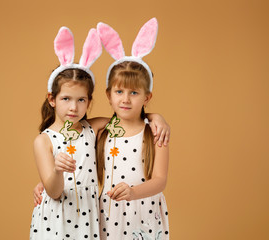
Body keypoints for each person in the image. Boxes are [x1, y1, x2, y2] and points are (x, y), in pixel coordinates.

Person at [30, 25, 170, 239]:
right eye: (66, 99)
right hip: (70, 218)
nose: (73, 107)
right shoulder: (56, 138)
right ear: (52, 99)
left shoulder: (98, 128)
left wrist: (156, 117)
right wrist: (51, 177)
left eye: (81, 100)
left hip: (109, 215)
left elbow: (130, 122)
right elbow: (58, 185)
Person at [96, 18, 169, 239]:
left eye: (134, 93)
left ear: (147, 97)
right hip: (108, 212)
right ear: (108, 95)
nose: (125, 99)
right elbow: (66, 137)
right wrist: (47, 178)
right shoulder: (102, 129)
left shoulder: (155, 133)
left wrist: (133, 192)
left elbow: (160, 180)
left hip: (144, 211)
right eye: (119, 92)